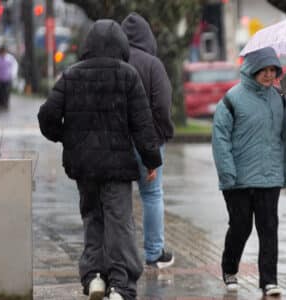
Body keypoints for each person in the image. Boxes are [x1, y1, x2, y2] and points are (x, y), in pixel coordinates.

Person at [38, 19, 162, 300]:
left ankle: (94, 276)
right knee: (119, 223)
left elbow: (46, 117)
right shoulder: (128, 75)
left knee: (92, 219)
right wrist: (151, 160)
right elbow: (142, 125)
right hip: (117, 168)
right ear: (121, 45)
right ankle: (121, 285)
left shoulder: (71, 75)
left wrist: (68, 137)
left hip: (83, 167)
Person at [211, 46, 286, 296]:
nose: (269, 75)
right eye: (264, 70)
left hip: (269, 178)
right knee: (241, 226)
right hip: (237, 180)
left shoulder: (280, 99)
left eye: (273, 70)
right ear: (252, 69)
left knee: (269, 228)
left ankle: (269, 280)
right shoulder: (231, 99)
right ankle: (229, 268)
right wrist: (227, 173)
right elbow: (220, 138)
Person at [121, 12, 175, 269]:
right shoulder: (153, 64)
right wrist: (162, 134)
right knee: (152, 195)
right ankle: (154, 252)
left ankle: (122, 252)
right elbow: (162, 105)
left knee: (118, 197)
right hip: (148, 141)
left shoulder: (113, 61)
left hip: (117, 141)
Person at [0, 45, 18, 111]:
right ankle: (0, 104)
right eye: (1, 52)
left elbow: (15, 66)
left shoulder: (10, 58)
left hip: (6, 78)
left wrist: (13, 74)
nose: (2, 53)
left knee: (6, 92)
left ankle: (5, 104)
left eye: (4, 52)